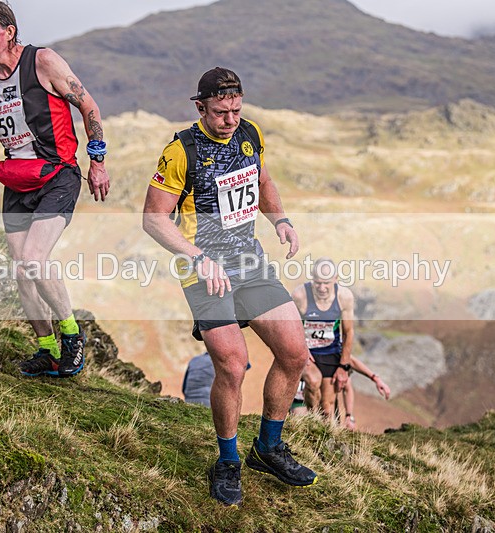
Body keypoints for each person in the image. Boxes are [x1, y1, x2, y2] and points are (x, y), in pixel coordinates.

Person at [142, 67, 317, 506]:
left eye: (237, 110)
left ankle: (269, 448)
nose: (231, 119)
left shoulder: (250, 134)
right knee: (233, 365)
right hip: (205, 272)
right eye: (221, 112)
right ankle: (227, 460)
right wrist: (196, 257)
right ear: (201, 107)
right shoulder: (180, 149)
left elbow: (262, 181)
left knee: (295, 353)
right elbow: (152, 218)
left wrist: (281, 221)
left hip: (250, 264)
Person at [0, 1, 110, 378]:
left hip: (58, 175)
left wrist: (97, 162)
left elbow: (89, 107)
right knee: (23, 271)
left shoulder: (44, 62)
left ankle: (71, 336)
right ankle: (47, 350)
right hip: (18, 180)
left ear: (9, 32)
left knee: (35, 258)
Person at [292, 258, 391, 430]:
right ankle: (313, 428)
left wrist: (343, 367)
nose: (322, 288)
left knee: (327, 407)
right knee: (313, 381)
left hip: (330, 353)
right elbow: (290, 327)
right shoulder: (300, 295)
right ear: (311, 279)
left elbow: (348, 332)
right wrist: (300, 347)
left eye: (326, 283)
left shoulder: (344, 297)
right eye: (317, 283)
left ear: (336, 279)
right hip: (307, 352)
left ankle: (324, 435)